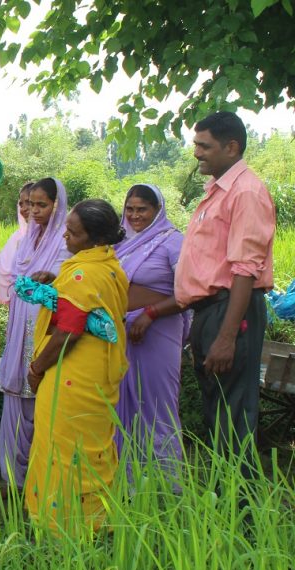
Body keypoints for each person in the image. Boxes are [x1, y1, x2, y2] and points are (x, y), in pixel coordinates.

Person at [175, 111, 275, 477]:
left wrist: (227, 336)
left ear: (231, 147)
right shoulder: (219, 192)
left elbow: (245, 270)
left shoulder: (246, 192)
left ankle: (243, 517)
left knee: (232, 415)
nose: (197, 153)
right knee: (218, 413)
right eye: (196, 145)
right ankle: (226, 505)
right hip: (211, 311)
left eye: (205, 146)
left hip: (232, 309)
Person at [24, 199, 129, 534]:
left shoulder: (84, 272)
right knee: (90, 445)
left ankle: (62, 527)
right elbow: (85, 303)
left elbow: (69, 330)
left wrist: (37, 368)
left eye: (73, 232)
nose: (65, 237)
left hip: (73, 374)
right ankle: (96, 521)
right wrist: (56, 282)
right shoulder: (107, 264)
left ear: (94, 239)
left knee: (64, 448)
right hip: (97, 373)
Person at [0, 177, 69, 489]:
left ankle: (42, 480)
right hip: (19, 324)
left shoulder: (66, 241)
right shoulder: (26, 239)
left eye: (41, 205)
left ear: (56, 205)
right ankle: (12, 479)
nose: (33, 211)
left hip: (45, 329)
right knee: (16, 400)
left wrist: (51, 280)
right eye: (30, 204)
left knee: (44, 399)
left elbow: (71, 289)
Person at [113, 184, 186, 479]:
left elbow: (187, 293)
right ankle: (128, 482)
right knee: (121, 404)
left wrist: (150, 314)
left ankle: (167, 486)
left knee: (157, 405)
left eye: (142, 209)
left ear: (157, 210)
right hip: (122, 334)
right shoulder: (120, 242)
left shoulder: (172, 241)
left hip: (158, 333)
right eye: (129, 209)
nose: (134, 215)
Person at [0, 182, 33, 304]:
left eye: (29, 203)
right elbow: (4, 267)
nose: (24, 208)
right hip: (18, 300)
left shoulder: (56, 239)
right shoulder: (18, 237)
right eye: (21, 204)